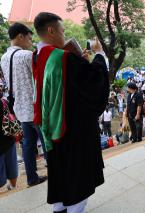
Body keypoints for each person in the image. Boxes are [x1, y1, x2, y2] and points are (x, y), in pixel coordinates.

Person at [32, 12, 109, 212]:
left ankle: (59, 209)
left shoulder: (39, 56)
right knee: (77, 184)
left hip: (52, 128)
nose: (64, 36)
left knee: (60, 177)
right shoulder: (62, 57)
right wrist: (99, 55)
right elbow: (94, 82)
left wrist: (79, 62)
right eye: (62, 31)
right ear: (51, 30)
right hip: (72, 132)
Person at [0, 22, 47, 187]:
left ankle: (32, 178)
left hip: (19, 110)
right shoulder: (28, 55)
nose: (30, 41)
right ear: (20, 35)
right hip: (36, 108)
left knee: (28, 145)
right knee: (47, 142)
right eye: (29, 37)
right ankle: (58, 174)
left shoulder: (3, 58)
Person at [0, 96, 18, 191]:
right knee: (12, 169)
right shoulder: (4, 101)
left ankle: (12, 186)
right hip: (8, 139)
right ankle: (12, 186)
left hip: (7, 141)